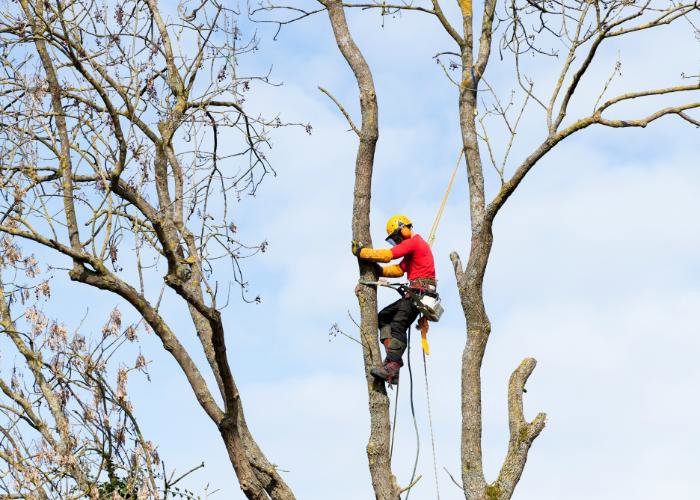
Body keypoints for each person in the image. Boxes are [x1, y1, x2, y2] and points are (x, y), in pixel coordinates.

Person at [351, 215, 436, 384]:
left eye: (396, 237)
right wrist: (379, 271)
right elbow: (399, 269)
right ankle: (392, 362)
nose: (397, 242)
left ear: (403, 228)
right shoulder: (413, 248)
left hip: (420, 292)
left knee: (398, 325)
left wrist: (362, 253)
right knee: (383, 317)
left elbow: (389, 255)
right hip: (414, 293)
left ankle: (393, 364)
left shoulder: (414, 242)